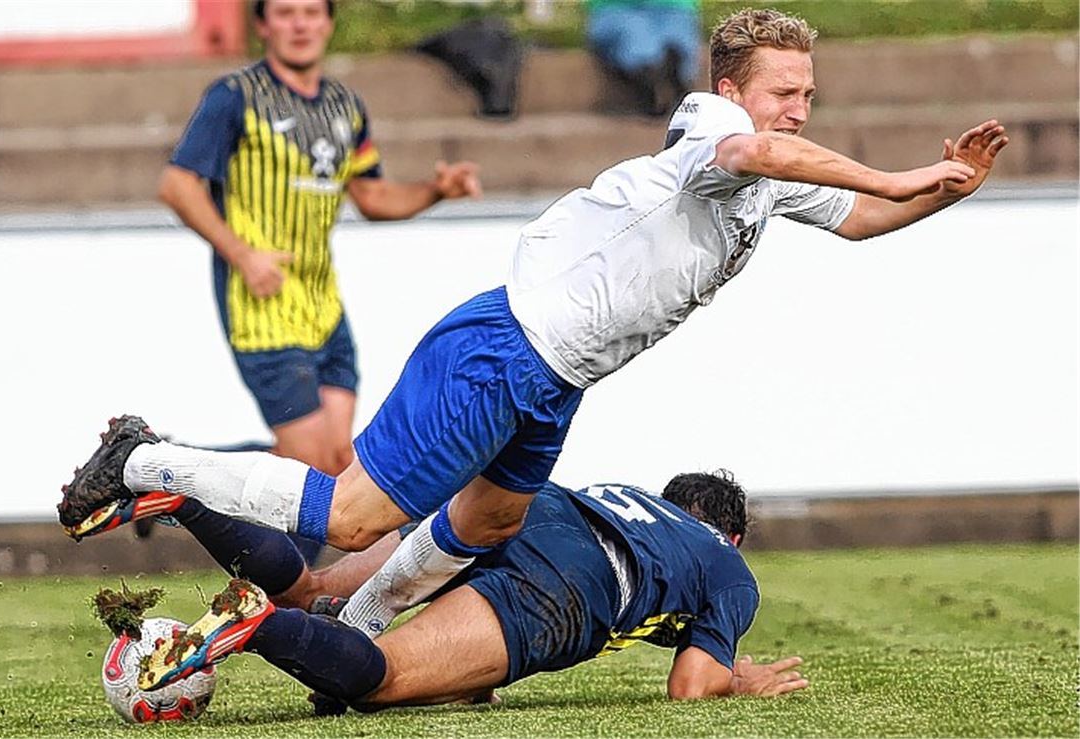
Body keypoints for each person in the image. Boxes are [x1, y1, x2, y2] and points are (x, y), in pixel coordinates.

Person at [60, 8, 1008, 644]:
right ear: (734, 85)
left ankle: (354, 631)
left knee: (492, 516)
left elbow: (860, 222)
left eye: (809, 93)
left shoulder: (769, 177)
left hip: (555, 376)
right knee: (352, 516)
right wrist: (896, 170)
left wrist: (946, 189)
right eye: (784, 90)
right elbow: (762, 147)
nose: (797, 108)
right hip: (503, 350)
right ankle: (147, 459)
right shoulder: (716, 131)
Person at [133, 471, 809, 711]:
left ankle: (186, 496)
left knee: (312, 591)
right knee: (380, 679)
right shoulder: (727, 565)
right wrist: (737, 680)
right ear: (732, 535)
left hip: (522, 506)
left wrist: (468, 672)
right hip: (574, 576)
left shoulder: (634, 499)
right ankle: (254, 622)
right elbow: (691, 684)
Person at [158, 0, 482, 474]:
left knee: (334, 464)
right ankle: (163, 472)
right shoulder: (234, 97)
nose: (300, 25)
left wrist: (436, 190)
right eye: (286, 13)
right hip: (261, 307)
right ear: (263, 26)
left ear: (329, 23)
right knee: (308, 463)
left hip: (324, 306)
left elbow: (371, 197)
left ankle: (173, 469)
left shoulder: (345, 107)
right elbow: (177, 186)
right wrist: (243, 256)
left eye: (311, 12)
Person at [587, 0, 702, 117]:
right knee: (639, 36)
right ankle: (655, 72)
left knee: (645, 42)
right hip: (618, 10)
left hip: (670, 9)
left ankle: (652, 73)